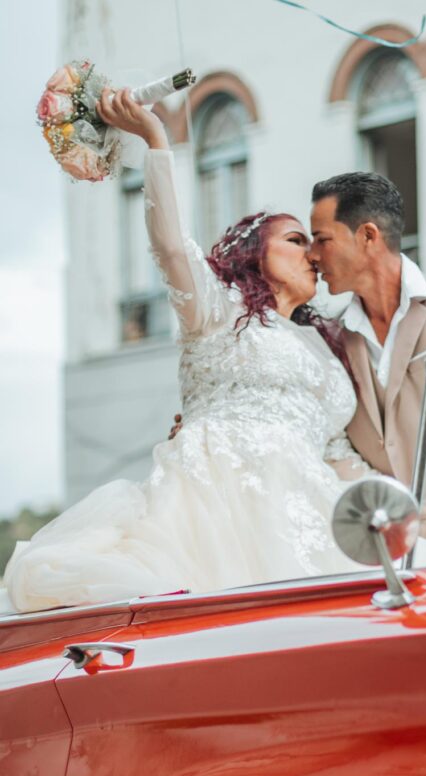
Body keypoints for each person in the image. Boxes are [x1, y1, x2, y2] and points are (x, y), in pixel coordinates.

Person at [2, 89, 369, 614]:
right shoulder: (216, 311)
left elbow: (340, 457)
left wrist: (395, 516)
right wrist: (155, 140)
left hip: (311, 518)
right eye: (293, 239)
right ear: (253, 253)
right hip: (215, 515)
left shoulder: (326, 348)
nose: (311, 253)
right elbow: (171, 246)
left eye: (313, 243)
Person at [309, 172, 426, 535]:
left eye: (322, 240)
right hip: (385, 548)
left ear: (368, 236)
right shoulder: (330, 338)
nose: (312, 255)